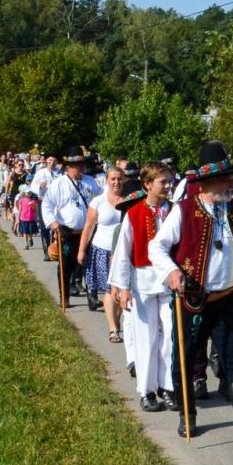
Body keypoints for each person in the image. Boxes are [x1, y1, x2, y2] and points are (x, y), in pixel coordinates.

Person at [147, 141, 233, 444]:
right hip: (194, 300)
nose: (231, 184)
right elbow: (156, 247)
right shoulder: (184, 210)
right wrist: (172, 271)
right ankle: (188, 416)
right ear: (206, 184)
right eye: (224, 179)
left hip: (228, 298)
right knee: (185, 357)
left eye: (230, 178)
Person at [110, 162, 176, 413]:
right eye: (163, 181)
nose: (168, 185)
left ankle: (168, 387)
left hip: (170, 283)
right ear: (148, 184)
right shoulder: (134, 214)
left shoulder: (174, 211)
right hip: (142, 282)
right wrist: (122, 286)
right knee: (145, 339)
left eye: (169, 181)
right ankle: (146, 391)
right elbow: (123, 252)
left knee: (170, 336)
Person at [41, 147, 100, 300]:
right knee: (67, 265)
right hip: (68, 232)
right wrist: (53, 222)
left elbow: (100, 201)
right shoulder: (58, 184)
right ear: (69, 167)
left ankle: (92, 296)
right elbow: (46, 205)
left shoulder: (90, 182)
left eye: (83, 165)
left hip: (89, 231)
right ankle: (64, 296)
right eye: (78, 166)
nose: (82, 168)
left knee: (90, 263)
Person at [79, 163, 128, 336]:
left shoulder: (131, 200)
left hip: (125, 251)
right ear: (106, 181)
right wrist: (82, 250)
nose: (116, 182)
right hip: (103, 250)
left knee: (124, 289)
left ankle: (116, 320)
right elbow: (88, 227)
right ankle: (113, 327)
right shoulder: (98, 201)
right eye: (113, 179)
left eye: (120, 178)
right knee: (110, 289)